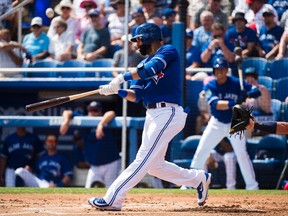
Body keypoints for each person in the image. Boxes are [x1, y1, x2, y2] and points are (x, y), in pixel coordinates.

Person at [88, 23, 211, 211]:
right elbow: (137, 96)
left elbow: (151, 70)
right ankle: (198, 179)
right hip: (152, 114)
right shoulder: (141, 65)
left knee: (142, 159)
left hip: (169, 112)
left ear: (148, 37)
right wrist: (116, 90)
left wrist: (121, 78)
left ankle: (113, 199)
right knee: (154, 166)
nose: (137, 45)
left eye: (138, 39)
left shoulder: (168, 51)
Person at [190, 57, 260, 190]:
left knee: (242, 154)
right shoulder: (210, 85)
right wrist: (235, 102)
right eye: (217, 70)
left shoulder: (235, 83)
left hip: (235, 122)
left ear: (227, 70)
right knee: (201, 151)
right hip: (216, 123)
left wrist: (247, 93)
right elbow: (216, 104)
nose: (219, 73)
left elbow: (257, 91)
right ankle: (189, 183)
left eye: (222, 70)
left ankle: (252, 186)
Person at [59, 101, 121, 188]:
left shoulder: (105, 120)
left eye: (95, 110)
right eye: (90, 110)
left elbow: (111, 113)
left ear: (100, 112)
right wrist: (66, 121)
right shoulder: (85, 120)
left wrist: (101, 124)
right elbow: (67, 112)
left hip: (111, 163)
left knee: (111, 190)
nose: (92, 112)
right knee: (88, 190)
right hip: (94, 166)